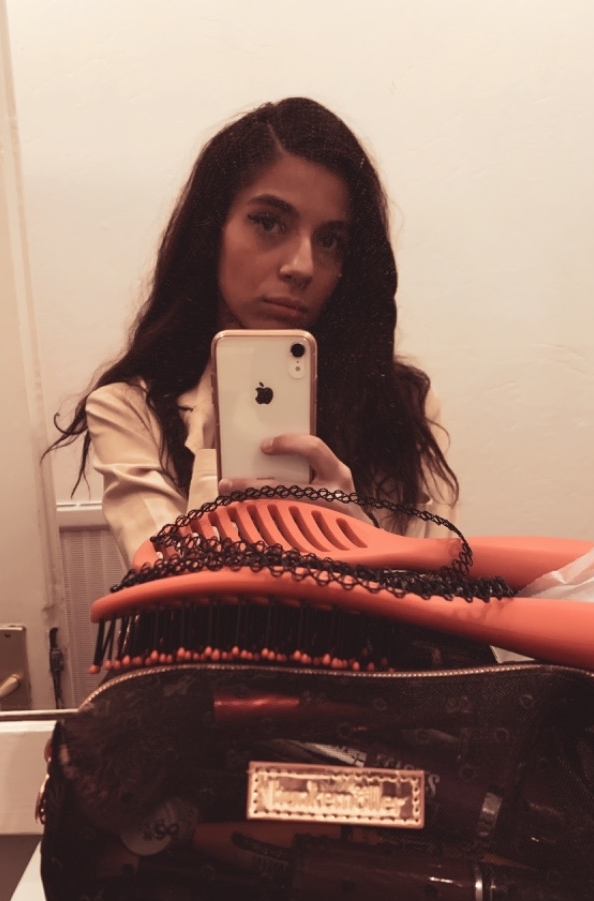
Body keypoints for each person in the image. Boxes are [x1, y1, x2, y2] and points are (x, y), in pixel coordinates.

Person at [49, 97, 458, 568]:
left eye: (330, 241)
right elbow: (166, 583)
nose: (303, 266)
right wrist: (218, 453)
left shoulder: (403, 406)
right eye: (269, 223)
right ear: (211, 231)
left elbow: (444, 585)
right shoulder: (129, 410)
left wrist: (357, 536)